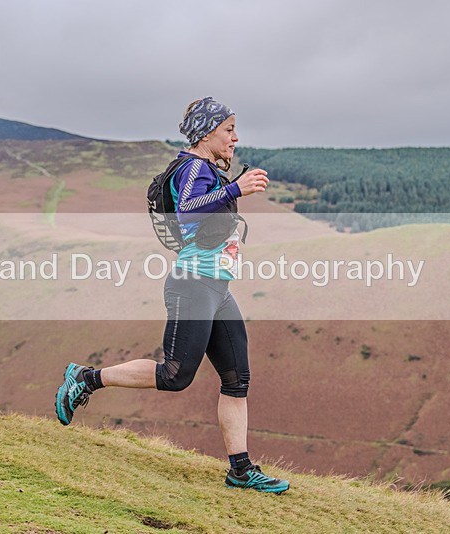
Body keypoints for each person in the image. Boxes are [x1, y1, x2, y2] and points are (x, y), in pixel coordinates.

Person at [56, 97, 290, 493]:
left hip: (218, 288)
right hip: (193, 284)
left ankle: (240, 470)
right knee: (175, 375)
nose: (235, 137)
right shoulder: (195, 167)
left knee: (237, 378)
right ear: (207, 131)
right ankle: (86, 378)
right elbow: (186, 211)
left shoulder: (206, 168)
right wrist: (236, 188)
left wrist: (231, 188)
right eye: (228, 128)